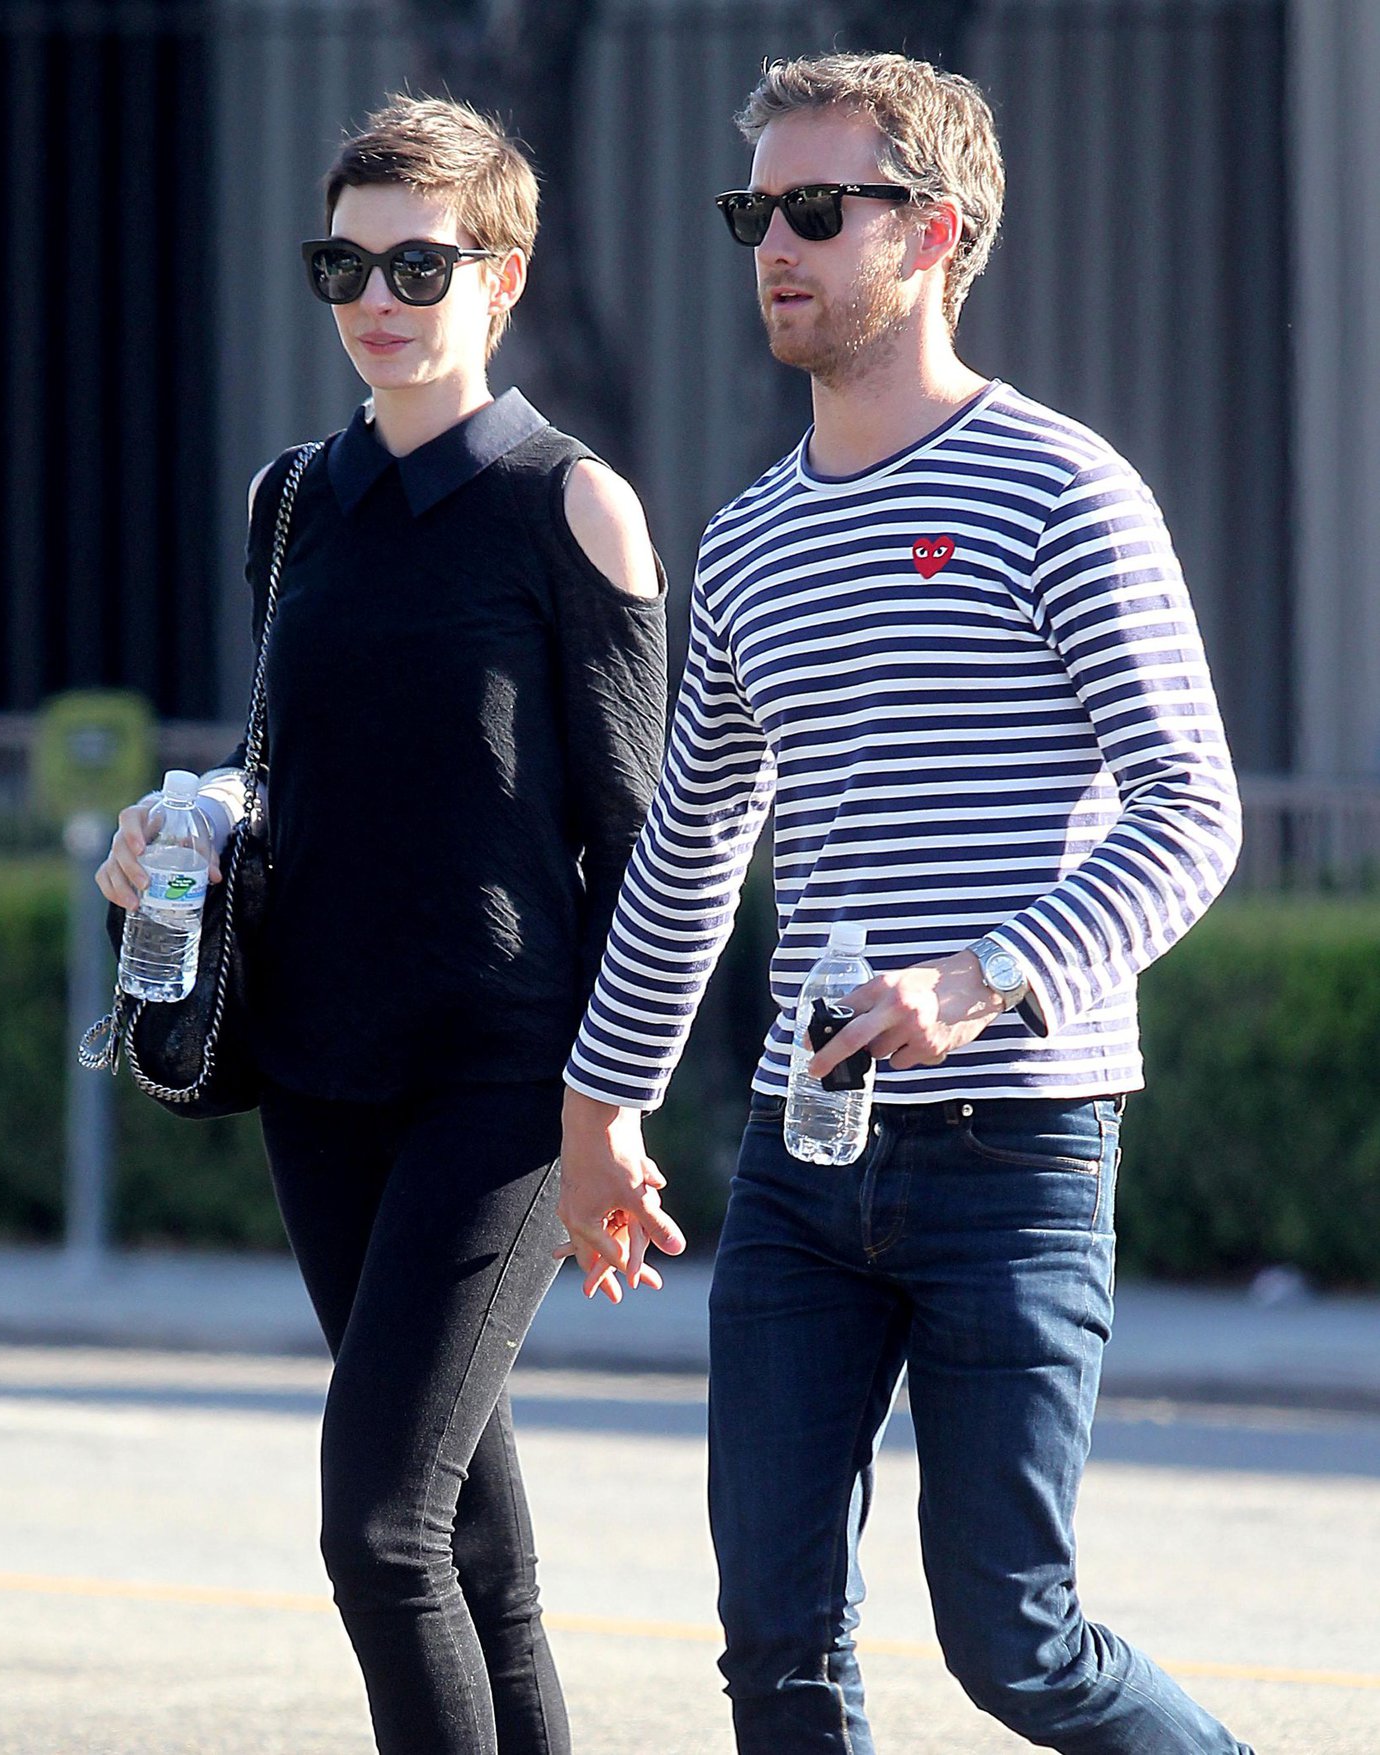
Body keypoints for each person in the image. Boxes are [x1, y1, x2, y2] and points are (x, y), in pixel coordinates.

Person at [556, 51, 1255, 1755]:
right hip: (812, 1159)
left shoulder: (1063, 490)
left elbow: (1194, 808)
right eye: (754, 213)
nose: (772, 247)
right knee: (774, 1648)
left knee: (1017, 1645)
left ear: (934, 234)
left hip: (1018, 1149)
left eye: (815, 210)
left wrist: (985, 979)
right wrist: (600, 1101)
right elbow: (690, 847)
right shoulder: (750, 542)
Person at [95, 95, 669, 1755]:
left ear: (501, 275)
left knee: (378, 1530)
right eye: (343, 258)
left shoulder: (574, 507)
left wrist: (609, 1108)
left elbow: (640, 840)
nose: (376, 293)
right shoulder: (293, 500)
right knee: (470, 1547)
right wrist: (182, 818)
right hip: (320, 1070)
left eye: (419, 259)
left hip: (497, 1080)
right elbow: (301, 762)